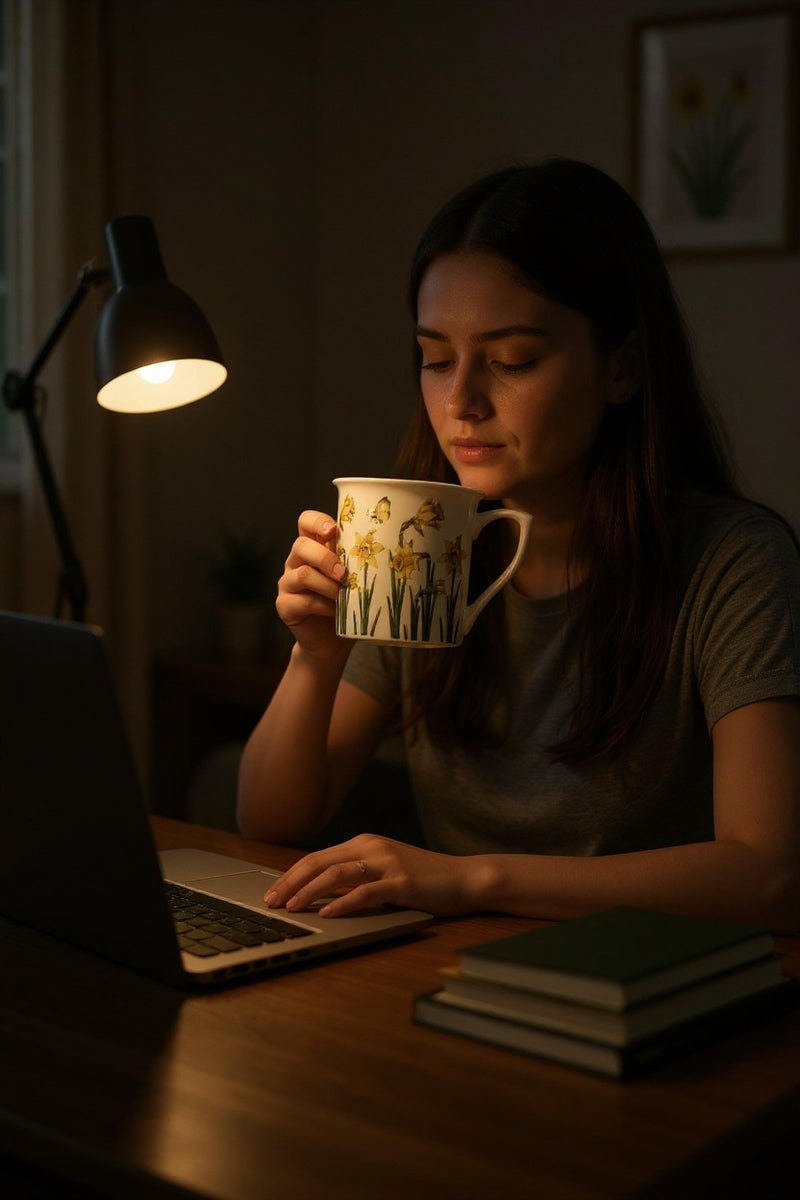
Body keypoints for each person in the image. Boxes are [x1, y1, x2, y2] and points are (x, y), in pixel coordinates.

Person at [237, 158, 800, 932]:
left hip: (653, 986)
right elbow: (270, 821)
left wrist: (469, 881)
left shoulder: (731, 562)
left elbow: (768, 873)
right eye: (435, 359)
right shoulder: (418, 549)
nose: (461, 400)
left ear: (623, 367)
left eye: (511, 361)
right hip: (451, 975)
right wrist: (316, 654)